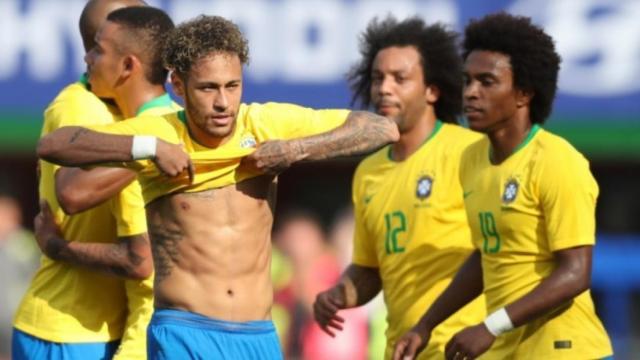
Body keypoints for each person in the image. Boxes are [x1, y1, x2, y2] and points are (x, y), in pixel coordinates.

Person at [36, 15, 399, 359]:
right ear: (178, 85)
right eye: (208, 88)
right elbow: (55, 144)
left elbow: (381, 129)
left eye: (232, 86)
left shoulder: (264, 124)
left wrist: (295, 149)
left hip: (257, 334)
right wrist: (148, 148)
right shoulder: (159, 133)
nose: (223, 102)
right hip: (184, 331)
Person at [393, 12, 613, 360]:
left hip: (566, 350)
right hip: (507, 350)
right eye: (467, 81)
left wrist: (489, 326)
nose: (471, 93)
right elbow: (487, 254)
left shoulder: (557, 161)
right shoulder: (471, 159)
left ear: (523, 93)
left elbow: (575, 273)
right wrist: (425, 325)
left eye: (487, 82)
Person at [312, 16, 485, 359]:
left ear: (432, 90)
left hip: (465, 347)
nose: (384, 88)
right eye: (378, 78)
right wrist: (338, 294)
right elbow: (369, 268)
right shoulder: (368, 171)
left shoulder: (471, 152)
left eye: (400, 79)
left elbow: (500, 249)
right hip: (403, 348)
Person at [12, 3, 177, 360]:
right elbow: (72, 191)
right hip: (69, 329)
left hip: (116, 329)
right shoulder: (81, 106)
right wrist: (148, 149)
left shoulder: (147, 119)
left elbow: (140, 260)